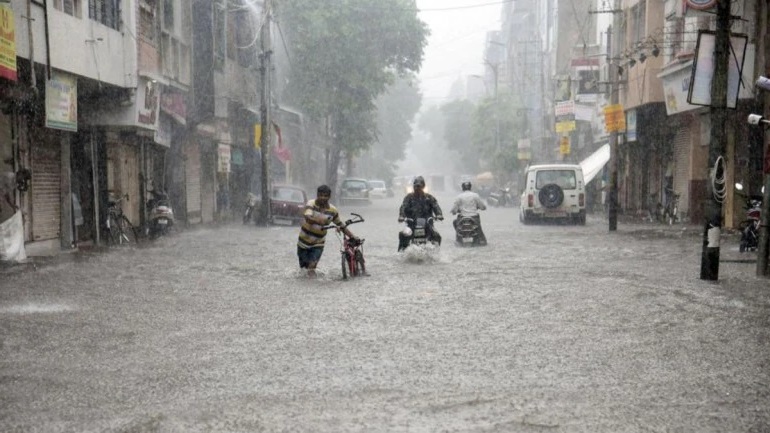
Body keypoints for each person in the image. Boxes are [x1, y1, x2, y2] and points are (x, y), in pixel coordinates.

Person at [297, 184, 358, 277]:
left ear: (329, 197)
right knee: (303, 269)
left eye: (325, 196)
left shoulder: (333, 210)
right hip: (303, 242)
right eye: (320, 195)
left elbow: (340, 224)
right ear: (317, 195)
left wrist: (352, 236)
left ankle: (313, 286)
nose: (322, 198)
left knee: (311, 268)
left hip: (318, 243)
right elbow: (307, 217)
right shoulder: (311, 204)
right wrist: (317, 220)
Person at [397, 176, 444, 251]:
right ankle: (400, 253)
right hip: (411, 224)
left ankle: (436, 253)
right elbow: (403, 207)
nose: (418, 189)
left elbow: (436, 206)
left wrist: (439, 215)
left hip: (427, 224)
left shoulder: (429, 198)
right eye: (416, 187)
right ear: (414, 187)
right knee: (403, 235)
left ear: (423, 187)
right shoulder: (409, 197)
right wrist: (401, 216)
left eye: (420, 187)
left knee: (437, 236)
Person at [450, 181, 488, 245]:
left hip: (462, 217)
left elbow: (454, 210)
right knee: (479, 229)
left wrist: (454, 211)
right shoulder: (475, 195)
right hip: (474, 217)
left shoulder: (459, 197)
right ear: (470, 187)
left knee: (455, 222)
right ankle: (481, 239)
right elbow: (483, 207)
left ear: (462, 188)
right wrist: (479, 207)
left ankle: (459, 240)